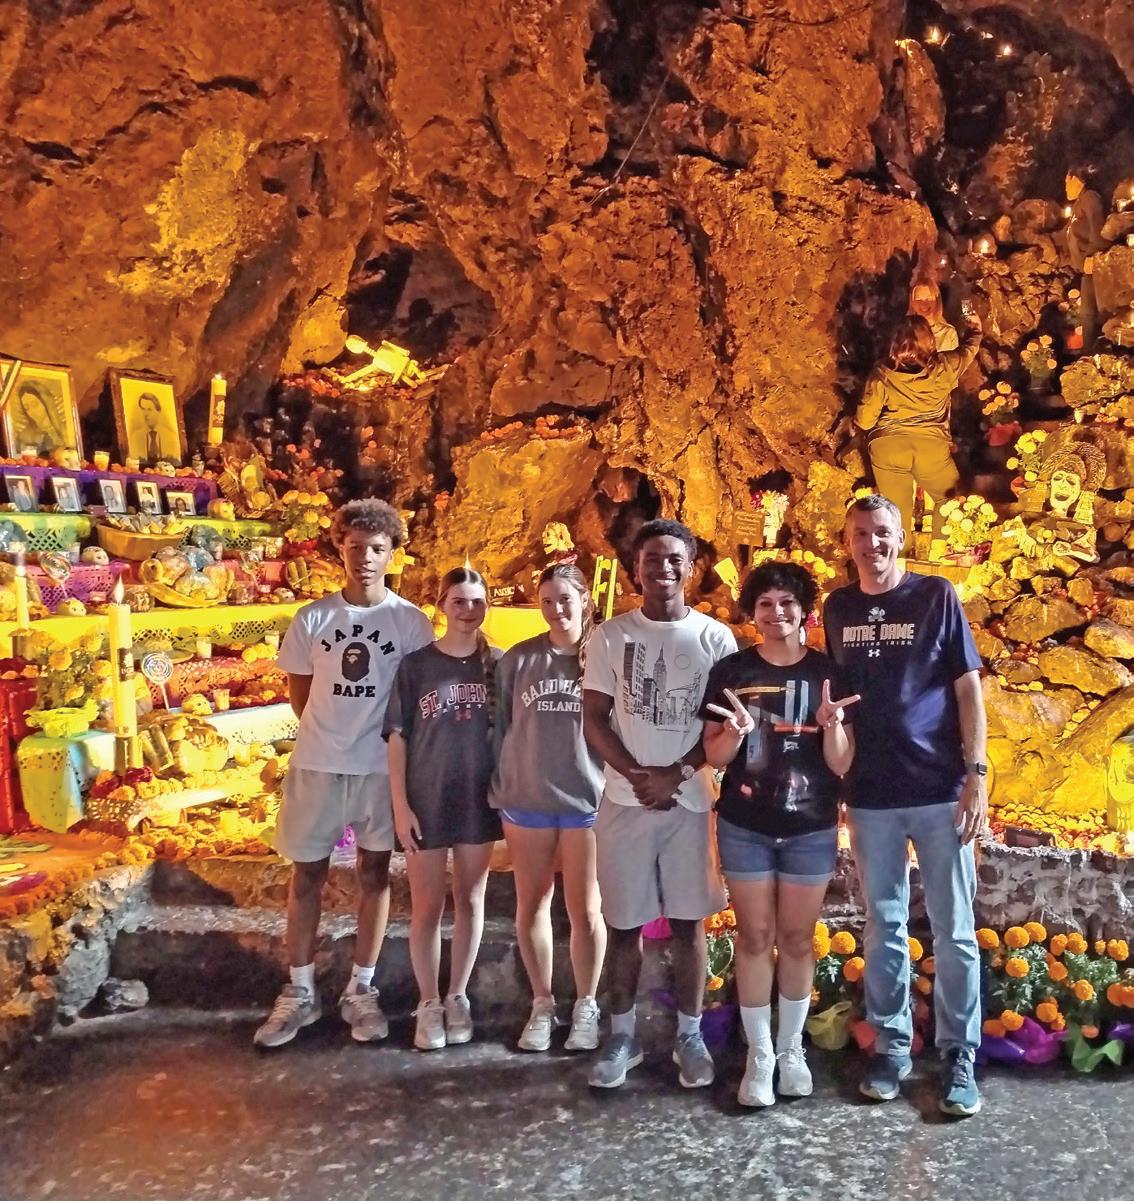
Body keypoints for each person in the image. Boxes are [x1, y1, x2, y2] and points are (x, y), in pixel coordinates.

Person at [823, 494, 986, 1117]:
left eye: (883, 532)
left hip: (940, 790)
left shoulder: (936, 596)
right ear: (848, 543)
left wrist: (977, 774)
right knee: (884, 925)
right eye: (862, 533)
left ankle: (959, 1054)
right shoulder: (837, 608)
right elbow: (839, 702)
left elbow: (968, 689)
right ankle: (891, 1048)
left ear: (901, 536)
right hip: (872, 795)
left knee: (955, 929)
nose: (873, 543)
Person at [254, 499, 434, 1049]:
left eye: (376, 548)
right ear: (340, 548)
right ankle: (300, 989)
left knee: (375, 874)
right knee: (306, 874)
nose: (365, 558)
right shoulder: (313, 619)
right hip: (318, 765)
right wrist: (333, 734)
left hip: (378, 768)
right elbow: (301, 697)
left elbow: (415, 697)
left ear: (392, 553)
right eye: (355, 547)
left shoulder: (410, 623)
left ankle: (361, 986)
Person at [582, 518, 737, 1090]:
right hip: (626, 802)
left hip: (690, 803)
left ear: (690, 568)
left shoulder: (715, 639)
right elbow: (593, 718)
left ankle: (689, 1036)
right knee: (623, 924)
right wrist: (637, 776)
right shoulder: (610, 637)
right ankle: (621, 1036)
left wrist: (676, 774)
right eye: (652, 558)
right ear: (635, 568)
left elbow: (724, 724)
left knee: (689, 924)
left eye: (675, 559)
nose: (663, 568)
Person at [701, 562, 857, 1108]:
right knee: (753, 937)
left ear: (805, 610)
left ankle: (791, 1048)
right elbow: (713, 755)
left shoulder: (829, 674)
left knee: (795, 938)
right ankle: (760, 1054)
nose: (776, 613)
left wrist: (832, 726)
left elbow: (842, 764)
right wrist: (733, 732)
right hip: (745, 824)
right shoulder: (731, 671)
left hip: (811, 825)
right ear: (752, 612)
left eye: (787, 602)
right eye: (765, 603)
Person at [490, 564, 606, 1054]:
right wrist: (502, 786)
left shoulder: (603, 658)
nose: (557, 609)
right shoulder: (519, 660)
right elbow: (501, 726)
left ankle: (586, 1005)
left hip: (586, 799)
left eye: (565, 599)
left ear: (585, 599)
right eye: (547, 601)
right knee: (532, 902)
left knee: (586, 909)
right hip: (529, 799)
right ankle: (542, 1003)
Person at [385, 566, 502, 1050]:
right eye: (459, 601)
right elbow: (397, 738)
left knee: (471, 899)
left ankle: (458, 995)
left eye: (477, 602)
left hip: (478, 799)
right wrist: (400, 805)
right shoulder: (417, 666)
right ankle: (429, 1001)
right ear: (441, 606)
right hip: (427, 798)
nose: (468, 610)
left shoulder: (498, 663)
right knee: (428, 905)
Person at [856, 307, 982, 542]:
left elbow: (865, 420)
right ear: (930, 339)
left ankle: (896, 560)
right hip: (930, 448)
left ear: (895, 342)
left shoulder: (882, 372)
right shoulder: (945, 366)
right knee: (948, 501)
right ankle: (940, 553)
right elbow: (968, 349)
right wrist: (975, 328)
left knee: (896, 512)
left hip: (889, 446)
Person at [1065, 166, 1107, 352]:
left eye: (1067, 183)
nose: (1065, 188)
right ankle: (1089, 355)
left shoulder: (1090, 198)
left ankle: (1091, 356)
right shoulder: (1078, 204)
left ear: (1076, 180)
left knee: (1091, 316)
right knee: (1087, 316)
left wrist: (1092, 254)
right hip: (1085, 268)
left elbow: (1098, 227)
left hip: (1093, 266)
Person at [11, 381, 66, 455]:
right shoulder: (24, 437)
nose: (32, 412)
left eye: (34, 405)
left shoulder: (66, 431)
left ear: (46, 402)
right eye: (27, 408)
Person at [909, 283, 959, 352]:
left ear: (937, 300)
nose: (924, 304)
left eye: (929, 299)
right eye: (919, 299)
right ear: (912, 302)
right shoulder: (905, 332)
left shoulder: (949, 333)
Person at [138, 391, 171, 462]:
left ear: (158, 411)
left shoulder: (170, 437)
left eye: (149, 409)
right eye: (143, 409)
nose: (146, 414)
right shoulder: (135, 437)